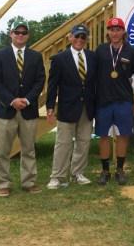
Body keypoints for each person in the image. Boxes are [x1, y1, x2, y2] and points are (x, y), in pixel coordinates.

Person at [0, 20, 45, 197]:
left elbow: (40, 81)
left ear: (28, 35)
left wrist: (28, 100)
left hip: (28, 111)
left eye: (24, 32)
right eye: (17, 32)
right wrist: (12, 100)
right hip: (6, 110)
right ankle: (3, 184)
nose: (20, 35)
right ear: (11, 34)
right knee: (2, 151)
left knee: (28, 149)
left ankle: (28, 182)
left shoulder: (36, 56)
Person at [46, 25, 96, 190]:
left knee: (84, 142)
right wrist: (50, 106)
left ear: (86, 39)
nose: (80, 40)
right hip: (67, 107)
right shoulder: (60, 59)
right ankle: (57, 176)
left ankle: (78, 173)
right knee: (63, 143)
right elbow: (52, 85)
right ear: (70, 37)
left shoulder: (92, 57)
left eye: (83, 37)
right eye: (77, 36)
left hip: (87, 107)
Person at [94, 17, 134, 185]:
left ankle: (120, 169)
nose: (115, 33)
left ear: (123, 32)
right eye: (111, 29)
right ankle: (105, 170)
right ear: (108, 32)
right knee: (103, 136)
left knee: (123, 135)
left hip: (124, 101)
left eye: (118, 29)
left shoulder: (131, 51)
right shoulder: (100, 50)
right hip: (103, 101)